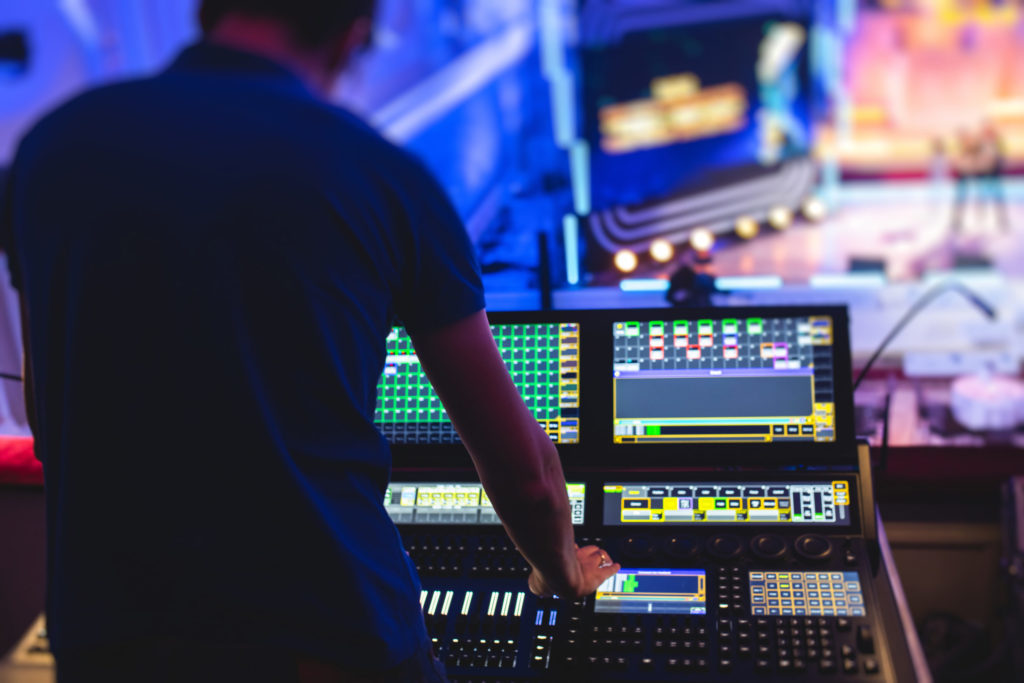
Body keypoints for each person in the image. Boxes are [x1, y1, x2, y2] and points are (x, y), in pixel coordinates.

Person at [0, 1, 619, 681]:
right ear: (352, 35)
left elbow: (46, 404)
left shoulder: (49, 150)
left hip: (109, 639)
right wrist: (560, 573)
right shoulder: (383, 175)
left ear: (207, 13)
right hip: (323, 639)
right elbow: (526, 476)